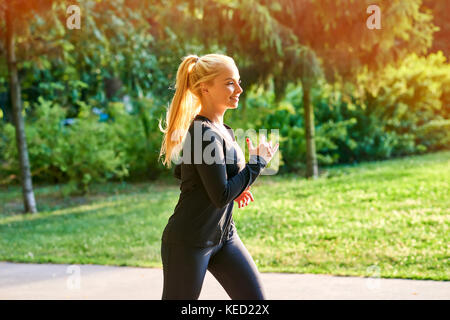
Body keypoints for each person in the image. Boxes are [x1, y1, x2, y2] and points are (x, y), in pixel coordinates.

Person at [158, 53, 279, 300]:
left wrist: (238, 187)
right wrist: (256, 163)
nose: (239, 89)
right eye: (229, 83)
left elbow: (183, 172)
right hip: (189, 242)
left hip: (224, 238)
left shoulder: (222, 131)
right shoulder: (203, 132)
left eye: (238, 81)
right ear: (205, 87)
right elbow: (220, 194)